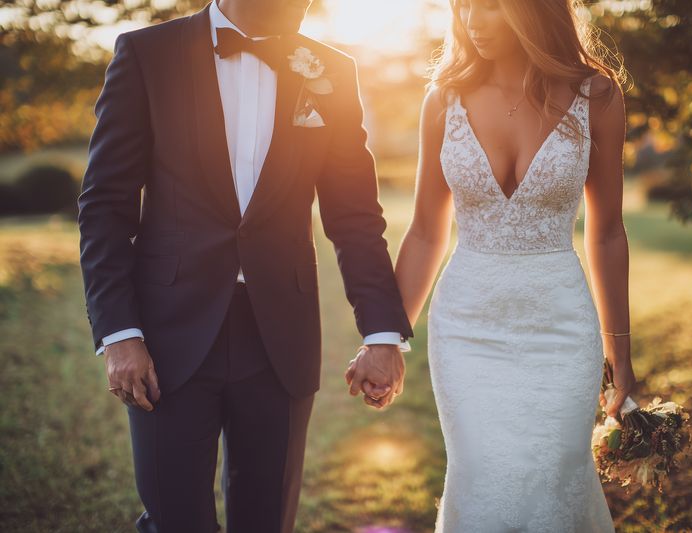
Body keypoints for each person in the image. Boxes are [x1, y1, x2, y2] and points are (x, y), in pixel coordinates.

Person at [77, 0, 412, 531]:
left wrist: (383, 333)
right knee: (175, 520)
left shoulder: (332, 70)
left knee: (266, 521)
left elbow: (354, 216)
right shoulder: (147, 54)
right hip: (167, 338)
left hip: (280, 338)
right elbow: (105, 206)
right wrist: (118, 332)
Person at [356, 0, 636, 530]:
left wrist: (618, 354)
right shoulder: (444, 99)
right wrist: (384, 339)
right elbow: (423, 232)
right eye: (462, 7)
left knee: (555, 478)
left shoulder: (596, 95)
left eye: (487, 7)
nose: (471, 22)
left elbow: (607, 234)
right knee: (482, 478)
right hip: (466, 332)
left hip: (561, 330)